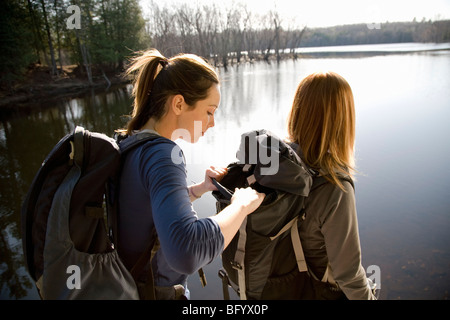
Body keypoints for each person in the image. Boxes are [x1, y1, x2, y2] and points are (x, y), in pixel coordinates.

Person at [117, 49, 265, 299]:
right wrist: (240, 207)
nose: (213, 122)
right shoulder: (163, 155)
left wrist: (198, 190)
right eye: (209, 111)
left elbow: (142, 208)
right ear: (178, 104)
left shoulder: (129, 143)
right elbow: (187, 251)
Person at [287, 71, 376, 300]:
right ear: (341, 120)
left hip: (280, 286)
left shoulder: (276, 167)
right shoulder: (334, 187)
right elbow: (350, 276)